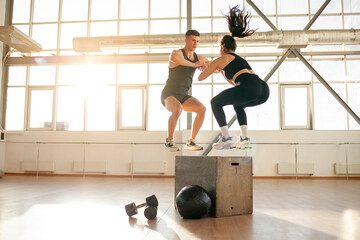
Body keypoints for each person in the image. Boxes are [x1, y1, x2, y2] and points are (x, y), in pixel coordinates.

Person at [198, 6, 269, 150]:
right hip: (263, 90)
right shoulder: (238, 59)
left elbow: (201, 77)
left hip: (249, 87)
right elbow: (235, 82)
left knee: (215, 102)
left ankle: (226, 138)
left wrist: (206, 65)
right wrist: (221, 71)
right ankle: (244, 138)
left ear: (222, 47)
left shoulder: (222, 58)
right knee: (238, 104)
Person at [161, 30, 209, 152]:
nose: (195, 43)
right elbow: (183, 62)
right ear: (186, 40)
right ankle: (169, 141)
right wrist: (196, 64)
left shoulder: (199, 58)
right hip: (169, 94)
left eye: (197, 41)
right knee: (177, 109)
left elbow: (215, 66)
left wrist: (208, 66)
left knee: (202, 109)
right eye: (193, 40)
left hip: (184, 95)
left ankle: (191, 141)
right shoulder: (176, 54)